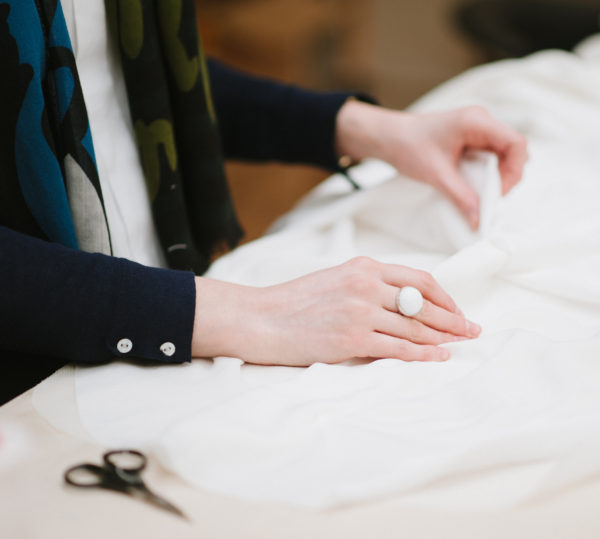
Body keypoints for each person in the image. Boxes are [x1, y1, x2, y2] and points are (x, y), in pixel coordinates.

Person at [0, 0, 527, 404]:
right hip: (35, 372)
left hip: (166, 295)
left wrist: (360, 128)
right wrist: (257, 316)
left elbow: (134, 75)